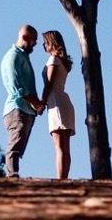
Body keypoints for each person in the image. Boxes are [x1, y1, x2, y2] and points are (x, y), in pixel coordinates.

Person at [0, 24, 44, 178]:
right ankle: (12, 176)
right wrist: (35, 102)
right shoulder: (13, 56)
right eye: (33, 40)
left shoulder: (23, 56)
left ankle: (13, 174)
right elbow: (16, 86)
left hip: (25, 110)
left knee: (19, 146)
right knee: (15, 144)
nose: (35, 43)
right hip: (17, 108)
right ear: (24, 37)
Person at [40, 30, 76, 179]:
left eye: (45, 42)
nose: (43, 46)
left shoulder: (53, 60)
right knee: (65, 147)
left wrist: (41, 102)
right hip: (63, 102)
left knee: (59, 147)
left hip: (56, 104)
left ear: (51, 43)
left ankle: (61, 179)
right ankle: (64, 177)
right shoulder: (62, 61)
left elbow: (49, 84)